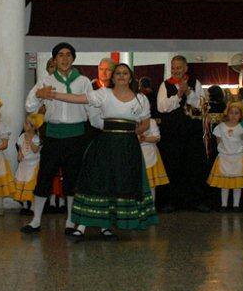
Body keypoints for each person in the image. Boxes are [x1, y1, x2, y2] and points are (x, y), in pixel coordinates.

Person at [36, 62, 156, 238]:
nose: (121, 76)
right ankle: (83, 225)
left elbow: (145, 123)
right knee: (99, 183)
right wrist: (53, 94)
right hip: (106, 145)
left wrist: (131, 133)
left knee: (121, 183)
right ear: (113, 78)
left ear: (130, 77)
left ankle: (107, 226)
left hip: (128, 148)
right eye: (118, 73)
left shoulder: (141, 99)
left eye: (125, 73)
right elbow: (77, 98)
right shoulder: (104, 94)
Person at [21, 43, 93, 235]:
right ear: (54, 59)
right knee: (44, 176)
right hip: (53, 135)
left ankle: (70, 221)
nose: (64, 58)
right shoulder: (45, 81)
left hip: (77, 136)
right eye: (60, 55)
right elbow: (29, 106)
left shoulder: (84, 81)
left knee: (72, 179)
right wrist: (38, 94)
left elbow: (92, 108)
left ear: (73, 58)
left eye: (68, 55)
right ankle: (35, 220)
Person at [156, 55, 210, 213]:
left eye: (179, 67)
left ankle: (196, 200)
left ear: (186, 68)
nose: (176, 70)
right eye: (173, 67)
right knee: (172, 166)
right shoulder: (165, 85)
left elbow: (202, 105)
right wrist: (178, 95)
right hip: (172, 134)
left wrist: (188, 92)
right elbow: (161, 107)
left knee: (194, 166)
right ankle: (171, 201)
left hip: (192, 133)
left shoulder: (195, 83)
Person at [207, 101, 243, 210]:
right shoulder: (221, 127)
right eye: (231, 112)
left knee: (237, 183)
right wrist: (224, 150)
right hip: (224, 157)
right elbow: (219, 141)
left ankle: (236, 205)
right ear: (227, 113)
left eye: (236, 113)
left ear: (241, 115)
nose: (233, 115)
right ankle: (224, 204)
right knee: (225, 183)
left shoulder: (242, 127)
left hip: (238, 157)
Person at [14, 113, 44, 214]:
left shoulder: (36, 138)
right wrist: (19, 153)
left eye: (27, 123)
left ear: (33, 127)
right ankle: (25, 205)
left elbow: (35, 150)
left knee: (31, 185)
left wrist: (30, 139)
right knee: (23, 184)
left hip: (33, 165)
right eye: (25, 123)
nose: (24, 125)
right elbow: (19, 147)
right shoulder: (22, 136)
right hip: (24, 165)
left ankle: (33, 207)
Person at [139, 117, 169, 204]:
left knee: (150, 185)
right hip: (133, 155)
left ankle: (150, 207)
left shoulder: (151, 122)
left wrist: (143, 139)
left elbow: (157, 137)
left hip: (149, 155)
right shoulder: (129, 121)